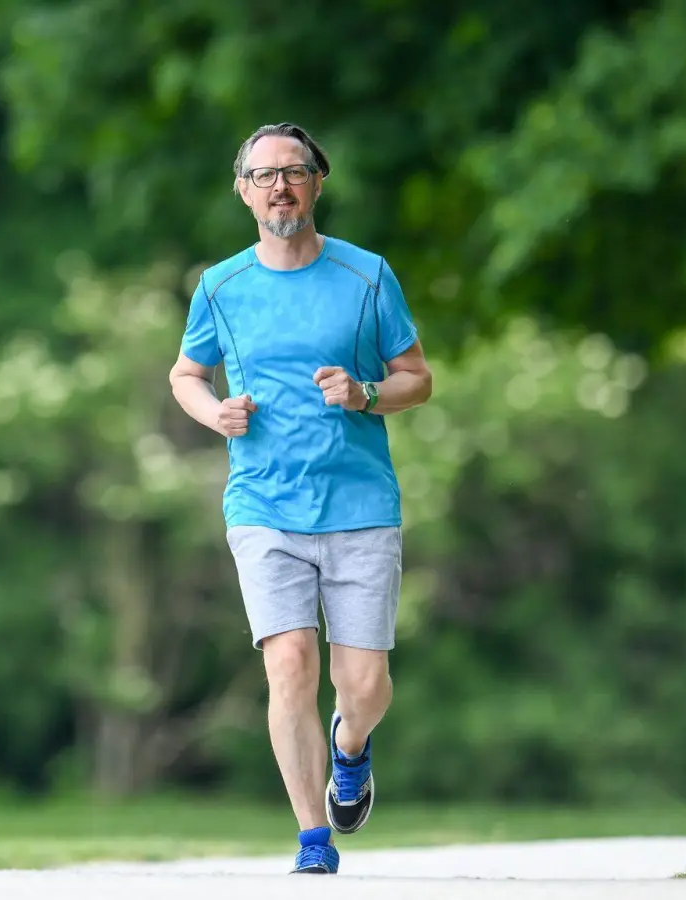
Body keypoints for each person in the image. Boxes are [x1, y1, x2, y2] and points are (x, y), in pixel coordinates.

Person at [167, 123, 433, 875]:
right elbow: (186, 374)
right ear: (241, 190)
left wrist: (367, 392)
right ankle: (313, 840)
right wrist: (213, 411)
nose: (278, 186)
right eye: (262, 175)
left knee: (366, 687)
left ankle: (351, 750)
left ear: (318, 181)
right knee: (289, 665)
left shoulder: (367, 276)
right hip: (262, 506)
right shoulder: (220, 285)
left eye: (292, 172)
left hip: (359, 504)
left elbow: (418, 376)